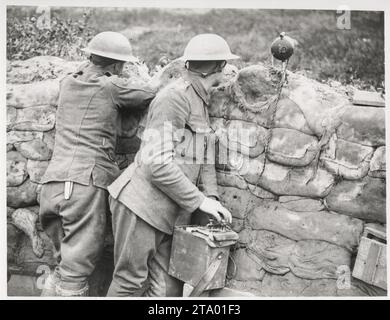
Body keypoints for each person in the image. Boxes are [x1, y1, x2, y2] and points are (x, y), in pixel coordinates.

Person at [106, 33, 239, 297]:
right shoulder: (174, 98)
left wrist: (211, 199)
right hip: (141, 206)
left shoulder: (200, 100)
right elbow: (156, 163)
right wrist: (200, 201)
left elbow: (203, 155)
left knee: (169, 289)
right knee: (129, 282)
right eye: (224, 66)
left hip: (169, 213)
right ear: (218, 67)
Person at [39, 31, 156, 296]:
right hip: (83, 187)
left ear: (89, 56)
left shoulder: (68, 82)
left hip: (52, 185)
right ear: (117, 65)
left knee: (63, 266)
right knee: (74, 275)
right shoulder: (111, 86)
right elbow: (150, 92)